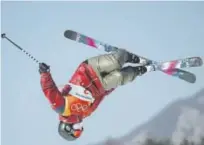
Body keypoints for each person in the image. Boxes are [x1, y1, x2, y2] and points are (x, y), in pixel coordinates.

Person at [39, 48, 151, 141]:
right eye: (79, 132)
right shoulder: (85, 113)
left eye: (77, 132)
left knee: (117, 61)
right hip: (102, 86)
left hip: (88, 70)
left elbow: (49, 90)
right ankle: (142, 69)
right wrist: (113, 86)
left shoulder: (62, 108)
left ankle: (131, 57)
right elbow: (100, 97)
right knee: (120, 77)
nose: (80, 129)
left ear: (68, 128)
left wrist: (45, 73)